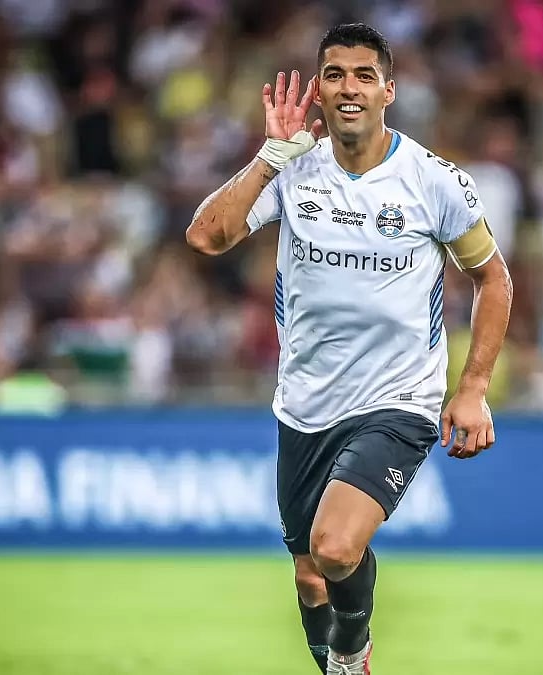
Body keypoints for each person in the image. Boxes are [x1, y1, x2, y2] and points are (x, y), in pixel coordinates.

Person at [185, 23, 513, 674]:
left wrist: (471, 387)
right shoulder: (291, 168)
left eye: (365, 75)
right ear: (318, 89)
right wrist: (267, 158)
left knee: (335, 548)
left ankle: (351, 650)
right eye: (334, 74)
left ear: (389, 90)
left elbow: (493, 278)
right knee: (310, 578)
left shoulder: (432, 181)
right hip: (304, 404)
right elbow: (205, 237)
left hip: (399, 400)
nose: (349, 86)